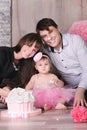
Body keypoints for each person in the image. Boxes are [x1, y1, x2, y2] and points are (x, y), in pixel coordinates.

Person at [36, 18, 87, 107]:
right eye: (44, 36)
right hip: (71, 88)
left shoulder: (75, 41)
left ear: (58, 28)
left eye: (51, 32)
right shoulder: (45, 51)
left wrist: (81, 89)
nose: (49, 38)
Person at [0, 33, 43, 105]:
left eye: (34, 50)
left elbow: (14, 82)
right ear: (23, 42)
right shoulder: (3, 53)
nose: (30, 52)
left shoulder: (25, 64)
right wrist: (8, 94)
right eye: (29, 46)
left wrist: (7, 88)